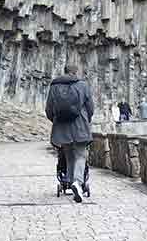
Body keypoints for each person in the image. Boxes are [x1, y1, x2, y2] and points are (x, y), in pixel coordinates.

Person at [46, 64, 94, 203]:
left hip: (62, 127)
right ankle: (77, 183)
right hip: (80, 126)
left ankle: (70, 180)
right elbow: (90, 107)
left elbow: (49, 109)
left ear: (65, 71)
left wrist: (56, 120)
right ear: (76, 72)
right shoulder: (83, 85)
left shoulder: (54, 86)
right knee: (81, 155)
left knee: (69, 156)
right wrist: (87, 120)